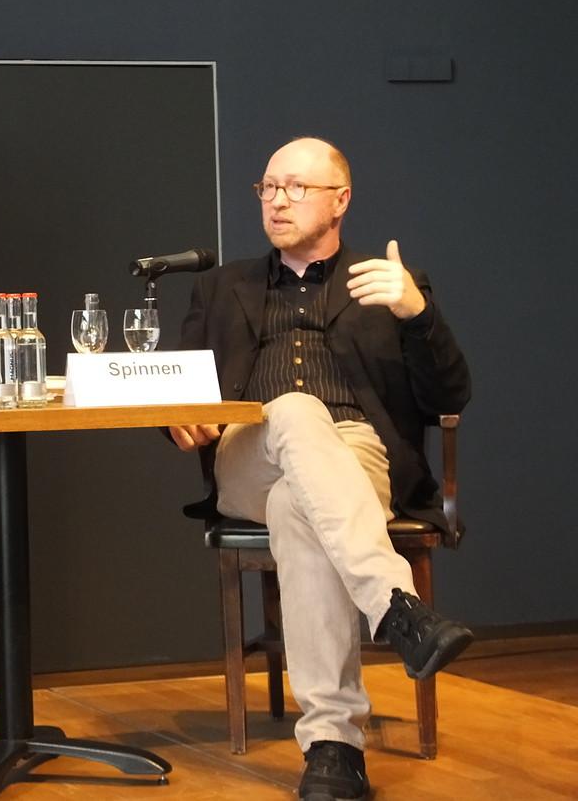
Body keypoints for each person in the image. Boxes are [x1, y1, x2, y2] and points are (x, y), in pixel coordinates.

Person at [169, 137, 473, 801]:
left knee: (297, 508)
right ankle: (396, 607)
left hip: (356, 452)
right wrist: (177, 420)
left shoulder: (388, 284)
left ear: (341, 200)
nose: (277, 200)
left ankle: (334, 748)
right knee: (295, 409)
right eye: (268, 187)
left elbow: (450, 396)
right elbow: (176, 389)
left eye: (296, 187)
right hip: (250, 451)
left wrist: (419, 316)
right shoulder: (220, 287)